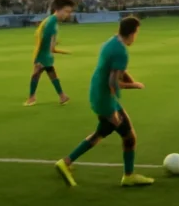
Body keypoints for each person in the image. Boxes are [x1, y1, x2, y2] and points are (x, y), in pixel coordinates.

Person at [54, 16, 153, 188]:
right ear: (131, 33)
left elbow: (119, 69)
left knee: (101, 133)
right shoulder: (121, 51)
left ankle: (66, 162)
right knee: (129, 136)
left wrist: (130, 80)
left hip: (98, 93)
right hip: (106, 99)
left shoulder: (112, 42)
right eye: (137, 33)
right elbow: (113, 82)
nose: (136, 37)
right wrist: (134, 85)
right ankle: (128, 176)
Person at [25, 0, 75, 107]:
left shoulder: (50, 20)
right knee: (39, 74)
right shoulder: (53, 23)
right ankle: (32, 98)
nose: (68, 15)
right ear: (58, 9)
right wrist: (62, 51)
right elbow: (49, 45)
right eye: (66, 11)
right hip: (43, 54)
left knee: (48, 74)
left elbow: (42, 37)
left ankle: (61, 96)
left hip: (44, 54)